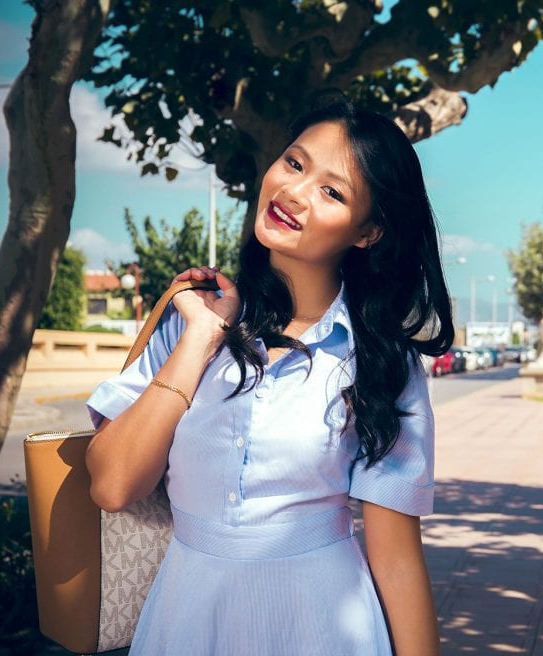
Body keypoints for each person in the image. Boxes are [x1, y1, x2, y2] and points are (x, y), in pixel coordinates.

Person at [84, 96, 453, 655]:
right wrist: (202, 339)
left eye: (332, 192)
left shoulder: (380, 363)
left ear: (368, 231)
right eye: (295, 164)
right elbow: (112, 485)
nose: (295, 193)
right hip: (187, 617)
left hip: (323, 623)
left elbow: (397, 557)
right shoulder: (190, 320)